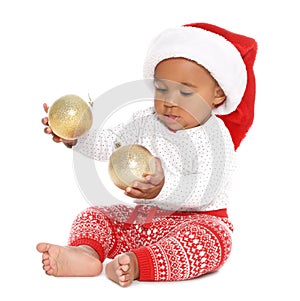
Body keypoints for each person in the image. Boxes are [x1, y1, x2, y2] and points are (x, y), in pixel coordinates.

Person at [37, 23, 257, 287]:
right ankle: (86, 253)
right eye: (161, 88)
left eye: (186, 92)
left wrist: (163, 187)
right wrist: (76, 137)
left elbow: (204, 189)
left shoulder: (216, 138)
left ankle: (138, 264)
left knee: (211, 242)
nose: (170, 100)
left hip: (199, 221)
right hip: (146, 220)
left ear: (217, 95)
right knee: (95, 215)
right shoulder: (145, 122)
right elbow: (111, 145)